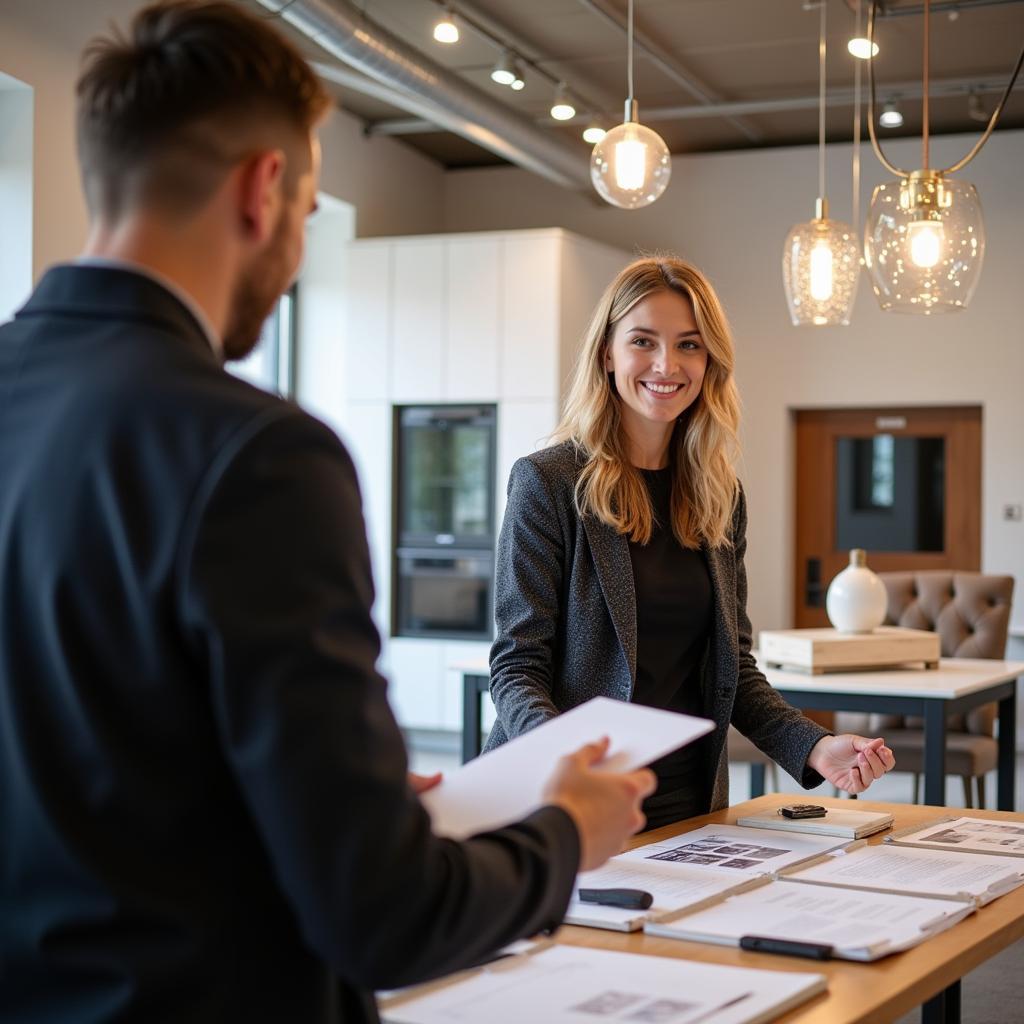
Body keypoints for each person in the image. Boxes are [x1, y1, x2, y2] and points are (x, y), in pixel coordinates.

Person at [0, 4, 656, 1021]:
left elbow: (98, 762)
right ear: (265, 190)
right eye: (310, 211)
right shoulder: (258, 455)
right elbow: (380, 912)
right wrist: (562, 830)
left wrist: (352, 802)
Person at [485, 256, 896, 830]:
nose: (666, 364)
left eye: (689, 345)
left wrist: (813, 747)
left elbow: (734, 669)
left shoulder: (718, 496)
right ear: (608, 352)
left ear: (710, 361)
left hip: (687, 802)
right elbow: (516, 665)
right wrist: (564, 764)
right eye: (643, 341)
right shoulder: (548, 483)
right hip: (564, 802)